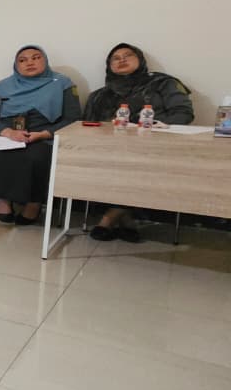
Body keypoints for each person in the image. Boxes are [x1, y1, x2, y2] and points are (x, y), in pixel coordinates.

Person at [82, 43, 194, 241]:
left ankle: (109, 218)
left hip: (155, 148)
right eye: (116, 58)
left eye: (128, 55)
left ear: (140, 60)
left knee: (131, 162)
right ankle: (126, 220)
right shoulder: (99, 95)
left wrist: (148, 127)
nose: (122, 60)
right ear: (109, 66)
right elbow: (87, 126)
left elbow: (183, 113)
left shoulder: (163, 83)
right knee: (113, 162)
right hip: (108, 151)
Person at [0, 45, 81, 225]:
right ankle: (3, 200)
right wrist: (9, 132)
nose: (29, 63)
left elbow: (72, 118)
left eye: (36, 57)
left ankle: (34, 203)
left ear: (45, 60)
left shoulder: (62, 83)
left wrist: (43, 134)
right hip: (9, 134)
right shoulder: (3, 86)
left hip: (44, 135)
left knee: (37, 157)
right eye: (22, 60)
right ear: (16, 65)